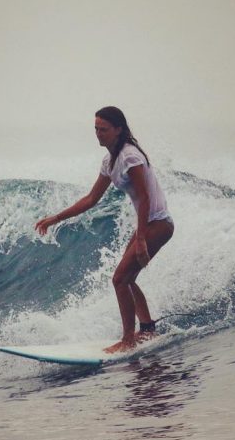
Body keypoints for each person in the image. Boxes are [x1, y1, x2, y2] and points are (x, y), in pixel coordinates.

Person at [36, 106, 174, 353]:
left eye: (104, 129)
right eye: (96, 129)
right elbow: (91, 199)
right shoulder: (110, 160)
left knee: (120, 279)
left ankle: (128, 340)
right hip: (149, 224)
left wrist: (141, 239)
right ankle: (147, 328)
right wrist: (54, 218)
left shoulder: (130, 157)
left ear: (118, 130)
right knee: (127, 277)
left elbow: (144, 198)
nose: (98, 134)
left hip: (158, 224)